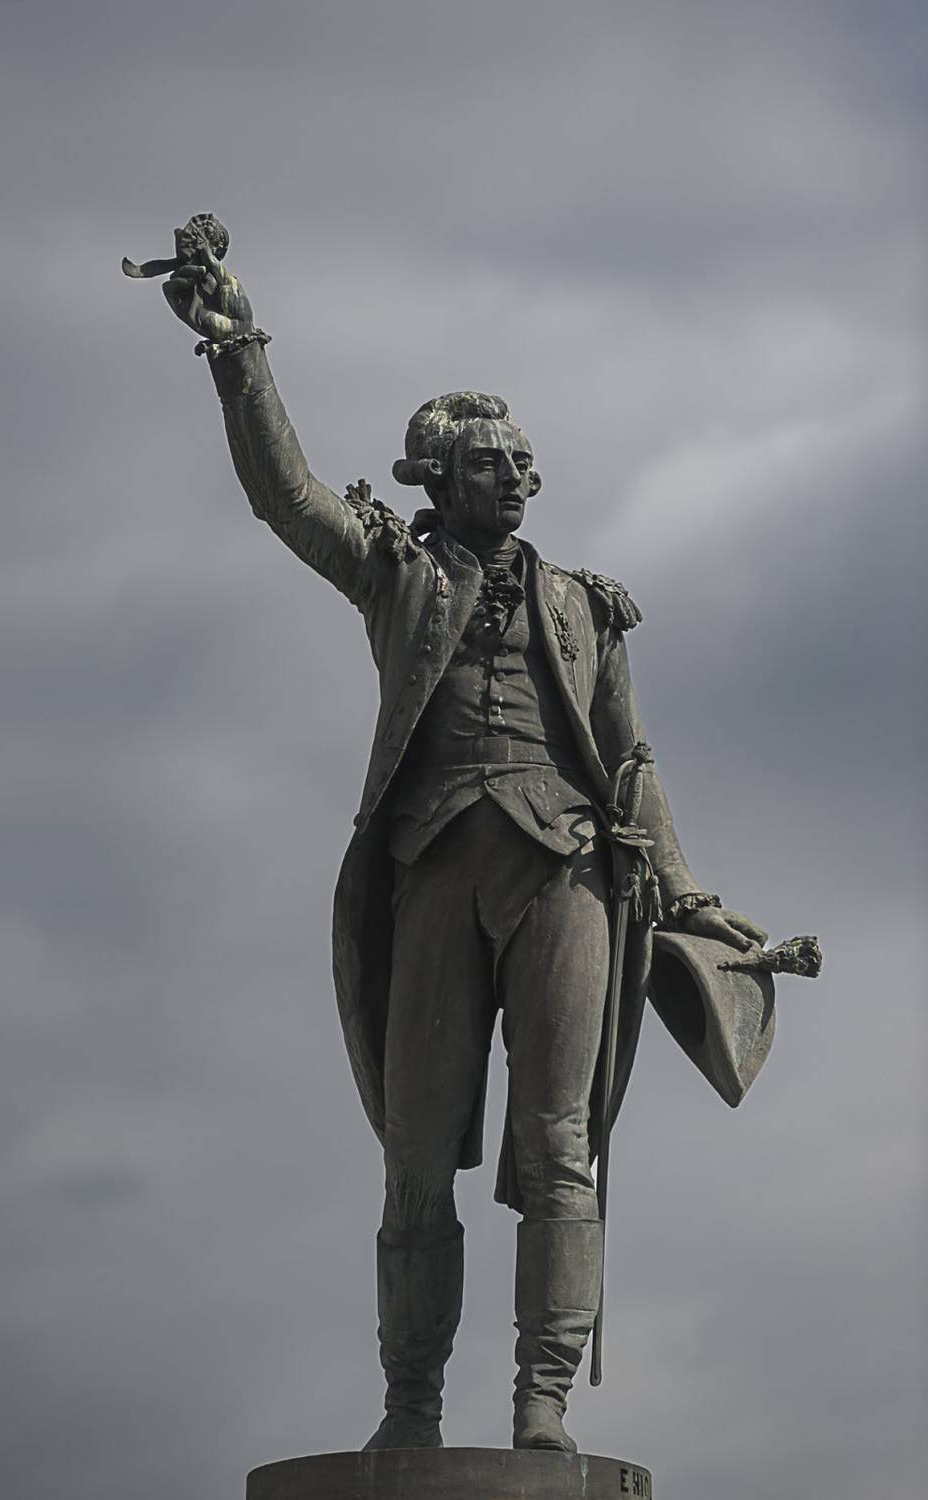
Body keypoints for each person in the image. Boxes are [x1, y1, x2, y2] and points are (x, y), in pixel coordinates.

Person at [157, 239, 767, 1452]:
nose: (520, 477)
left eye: (526, 461)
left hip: (564, 877)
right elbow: (286, 496)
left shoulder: (588, 606)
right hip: (432, 870)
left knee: (559, 1149)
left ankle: (541, 1407)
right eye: (493, 462)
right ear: (436, 475)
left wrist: (688, 896)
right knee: (413, 1159)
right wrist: (235, 349)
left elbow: (630, 762)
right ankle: (410, 1410)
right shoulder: (395, 573)